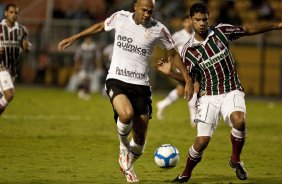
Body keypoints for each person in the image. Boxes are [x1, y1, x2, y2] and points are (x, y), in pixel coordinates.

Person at [58, 0, 194, 182]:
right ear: (135, 7)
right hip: (117, 79)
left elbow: (174, 54)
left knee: (139, 140)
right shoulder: (120, 17)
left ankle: (128, 163)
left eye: (151, 11)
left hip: (141, 86)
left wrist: (187, 79)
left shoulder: (159, 29)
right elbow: (100, 26)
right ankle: (123, 148)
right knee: (126, 114)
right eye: (144, 10)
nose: (147, 14)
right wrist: (75, 37)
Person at [156, 2, 282, 183]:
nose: (201, 23)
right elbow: (190, 79)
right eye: (197, 20)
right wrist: (170, 72)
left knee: (239, 120)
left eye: (204, 20)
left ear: (209, 19)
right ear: (191, 20)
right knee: (201, 142)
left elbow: (247, 29)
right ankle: (185, 173)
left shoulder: (221, 31)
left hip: (232, 89)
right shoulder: (189, 51)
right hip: (208, 96)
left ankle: (235, 159)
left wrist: (277, 25)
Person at [156, 15, 199, 127]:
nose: (189, 23)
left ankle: (162, 104)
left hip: (193, 67)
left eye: (190, 21)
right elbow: (170, 49)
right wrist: (172, 63)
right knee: (194, 88)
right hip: (182, 67)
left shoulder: (196, 35)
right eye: (186, 21)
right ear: (183, 23)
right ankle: (193, 118)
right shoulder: (177, 35)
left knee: (180, 90)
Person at [0, 3, 31, 115]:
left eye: (16, 13)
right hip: (1, 67)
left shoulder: (22, 30)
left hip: (12, 70)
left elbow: (26, 48)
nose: (13, 15)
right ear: (6, 13)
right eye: (11, 12)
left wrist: (26, 47)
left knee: (4, 98)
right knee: (9, 95)